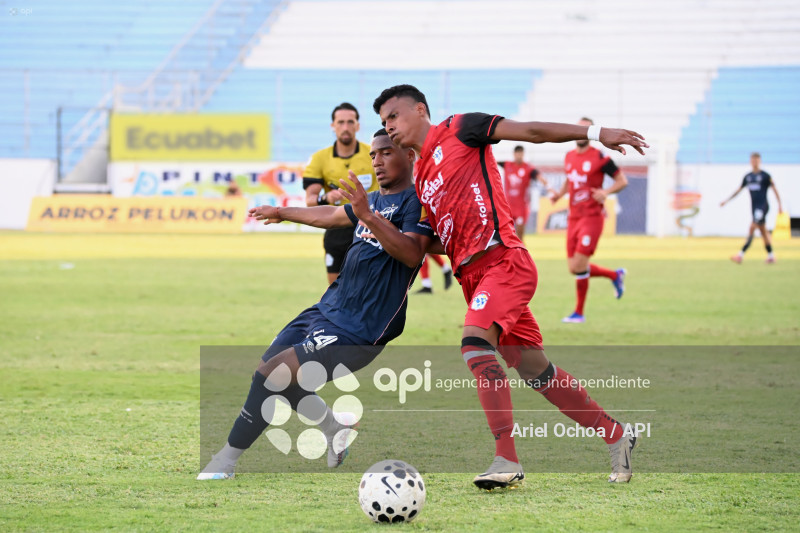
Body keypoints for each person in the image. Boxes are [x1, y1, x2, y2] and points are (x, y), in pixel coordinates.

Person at [372, 84, 648, 488]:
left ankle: (506, 459)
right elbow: (431, 243)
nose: (389, 127)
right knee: (537, 370)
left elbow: (531, 131)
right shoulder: (422, 177)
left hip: (505, 262)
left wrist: (594, 134)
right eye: (383, 122)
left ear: (420, 109)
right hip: (475, 278)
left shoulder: (461, 128)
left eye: (393, 116)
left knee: (474, 345)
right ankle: (616, 434)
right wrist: (377, 226)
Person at [198, 129, 434, 479]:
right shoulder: (373, 201)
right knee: (269, 372)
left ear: (410, 156)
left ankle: (225, 461)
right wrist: (282, 212)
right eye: (374, 156)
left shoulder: (416, 201)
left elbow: (413, 252)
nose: (377, 161)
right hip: (329, 307)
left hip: (362, 325)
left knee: (271, 374)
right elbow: (332, 216)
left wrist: (367, 216)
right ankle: (334, 429)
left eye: (386, 152)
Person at [550, 117, 629, 324]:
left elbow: (622, 181)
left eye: (585, 129)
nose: (581, 133)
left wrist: (606, 191)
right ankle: (614, 275)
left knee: (579, 265)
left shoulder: (600, 158)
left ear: (591, 134)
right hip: (573, 217)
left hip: (591, 218)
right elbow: (570, 178)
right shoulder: (568, 156)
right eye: (579, 129)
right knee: (574, 268)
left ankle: (579, 313)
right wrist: (559, 195)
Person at [303, 103, 379, 285]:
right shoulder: (320, 158)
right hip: (336, 228)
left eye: (350, 122)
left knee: (368, 289)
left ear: (358, 126)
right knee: (336, 292)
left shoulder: (374, 153)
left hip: (368, 228)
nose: (346, 128)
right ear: (333, 126)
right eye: (341, 122)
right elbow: (310, 201)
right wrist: (325, 198)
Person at [721, 152, 783, 264]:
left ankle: (740, 255)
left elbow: (775, 190)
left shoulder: (765, 176)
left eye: (756, 160)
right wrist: (726, 200)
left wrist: (780, 204)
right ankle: (771, 256)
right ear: (750, 161)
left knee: (752, 228)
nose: (754, 162)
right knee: (764, 232)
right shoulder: (748, 177)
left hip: (762, 207)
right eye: (752, 160)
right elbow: (738, 190)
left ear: (760, 161)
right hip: (754, 208)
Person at [498, 145, 551, 238]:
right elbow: (491, 161)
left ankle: (522, 252)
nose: (519, 156)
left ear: (523, 154)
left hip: (521, 208)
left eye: (521, 154)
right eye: (517, 153)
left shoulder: (528, 168)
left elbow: (540, 177)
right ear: (514, 154)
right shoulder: (507, 165)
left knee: (519, 237)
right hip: (508, 207)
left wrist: (549, 188)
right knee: (505, 236)